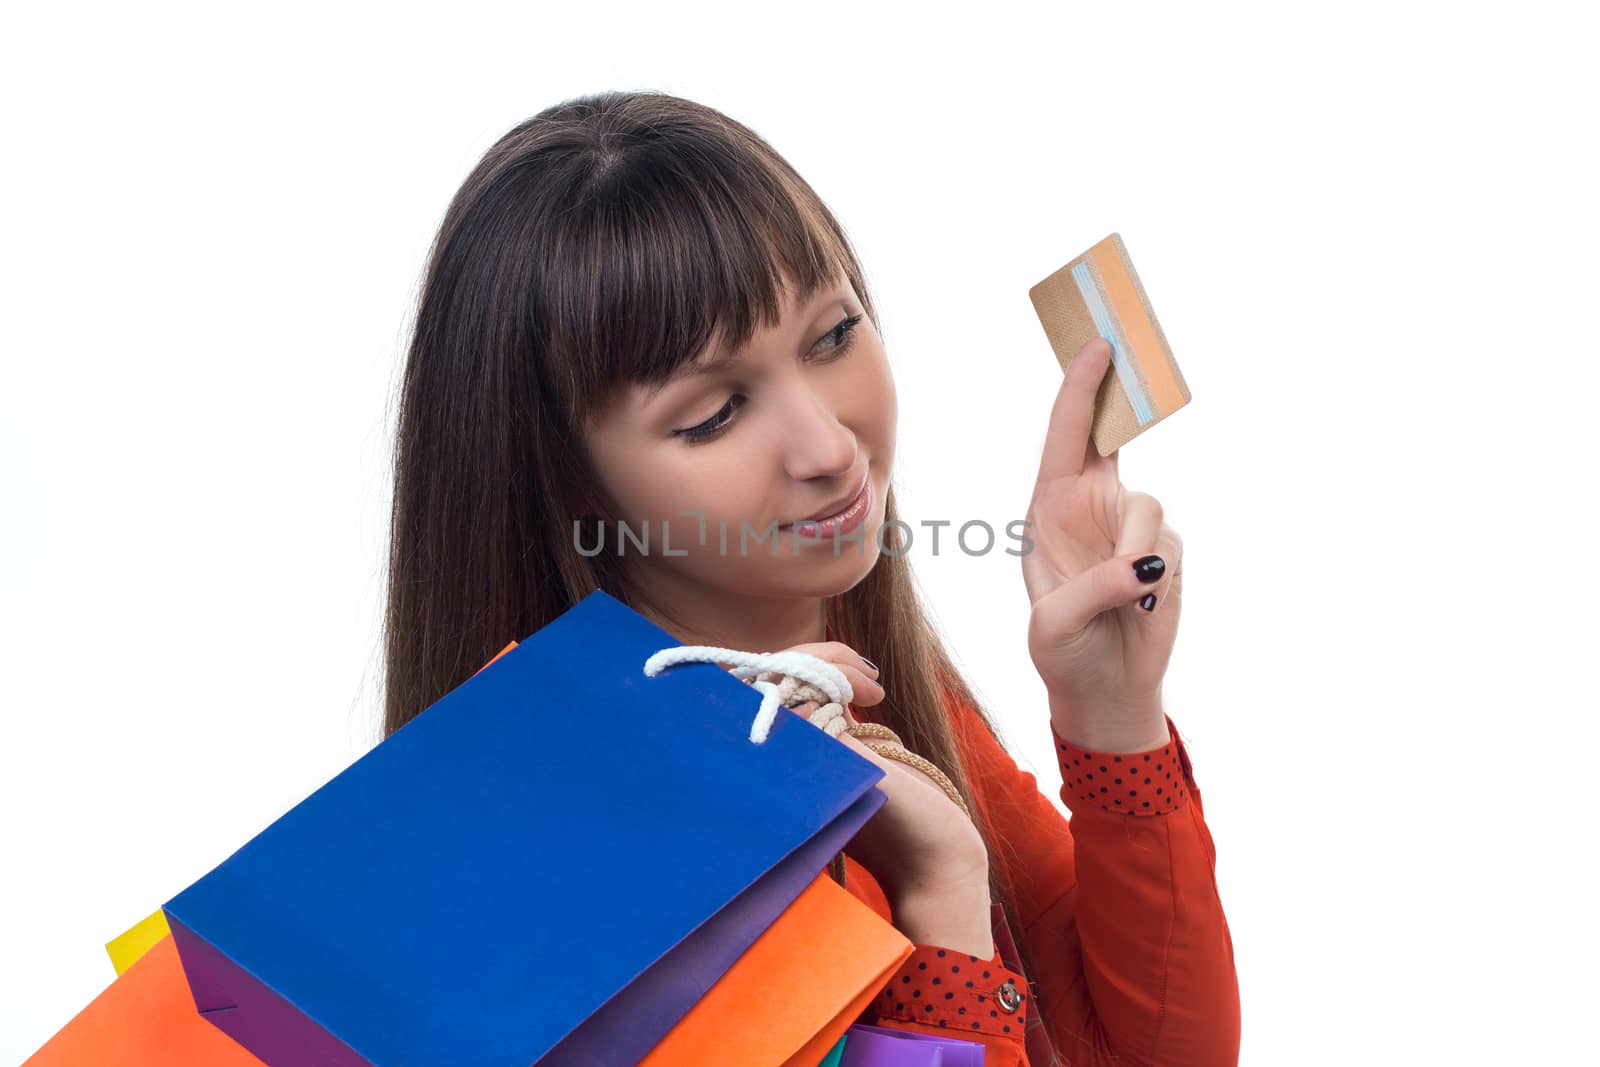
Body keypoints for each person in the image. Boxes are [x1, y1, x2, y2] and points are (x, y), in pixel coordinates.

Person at [380, 89, 1239, 1066]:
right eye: (712, 412)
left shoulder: (888, 709)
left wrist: (1110, 714)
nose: (830, 447)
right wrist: (940, 891)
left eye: (833, 337)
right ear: (565, 475)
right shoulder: (590, 843)